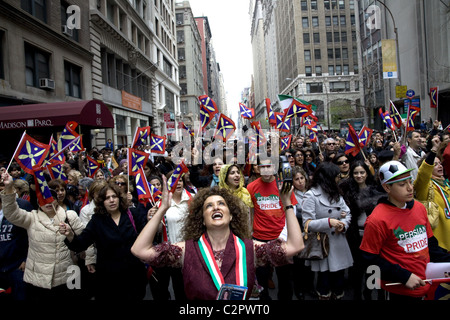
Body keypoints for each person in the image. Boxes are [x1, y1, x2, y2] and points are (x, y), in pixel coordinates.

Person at [131, 176, 303, 300]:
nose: (215, 208)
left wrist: (287, 203)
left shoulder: (250, 248)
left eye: (221, 204)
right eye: (209, 206)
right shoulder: (185, 250)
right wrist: (162, 209)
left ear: (231, 216)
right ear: (203, 219)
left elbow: (295, 246)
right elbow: (139, 250)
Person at [360, 160, 450, 300]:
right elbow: (368, 260)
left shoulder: (419, 208)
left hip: (425, 285)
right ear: (387, 188)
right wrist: (404, 276)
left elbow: (430, 244)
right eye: (402, 184)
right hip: (398, 291)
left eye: (410, 181)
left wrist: (447, 263)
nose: (410, 188)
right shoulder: (377, 220)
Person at [0, 170, 85, 301]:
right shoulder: (31, 218)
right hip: (38, 279)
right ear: (39, 204)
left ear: (57, 200)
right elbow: (11, 212)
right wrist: (9, 187)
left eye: (51, 199)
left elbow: (85, 240)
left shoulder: (70, 215)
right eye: (43, 200)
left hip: (67, 275)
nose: (48, 203)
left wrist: (70, 235)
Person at [59, 182, 148, 300]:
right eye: (107, 198)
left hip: (133, 276)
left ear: (119, 198)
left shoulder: (132, 214)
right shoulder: (97, 220)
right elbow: (80, 244)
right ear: (102, 202)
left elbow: (146, 238)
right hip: (109, 279)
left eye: (114, 196)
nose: (111, 200)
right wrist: (70, 234)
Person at [247, 156, 299, 300]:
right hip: (259, 239)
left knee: (285, 278)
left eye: (269, 166)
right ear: (257, 168)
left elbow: (292, 210)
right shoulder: (251, 187)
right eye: (262, 167)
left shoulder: (283, 185)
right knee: (261, 279)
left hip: (281, 238)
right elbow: (250, 211)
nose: (265, 170)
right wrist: (250, 233)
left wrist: (285, 234)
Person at [301, 162, 353, 300]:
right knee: (324, 282)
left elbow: (347, 213)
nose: (338, 179)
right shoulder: (311, 195)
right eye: (336, 176)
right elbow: (307, 223)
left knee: (339, 281)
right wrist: (329, 222)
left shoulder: (336, 193)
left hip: (338, 242)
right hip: (322, 245)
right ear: (328, 177)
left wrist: (343, 225)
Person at [339, 160, 384, 300]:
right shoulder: (347, 191)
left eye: (362, 172)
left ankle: (369, 294)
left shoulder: (375, 189)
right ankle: (357, 294)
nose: (359, 175)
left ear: (367, 173)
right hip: (355, 236)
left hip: (373, 236)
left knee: (373, 268)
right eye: (356, 173)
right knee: (357, 269)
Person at [414, 136, 450, 251]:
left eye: (440, 164)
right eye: (434, 165)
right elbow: (423, 174)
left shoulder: (447, 184)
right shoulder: (425, 186)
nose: (439, 166)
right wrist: (434, 149)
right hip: (440, 245)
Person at [0, 175, 33, 301]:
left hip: (17, 266)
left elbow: (32, 234)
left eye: (3, 185)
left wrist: (27, 258)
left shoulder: (23, 205)